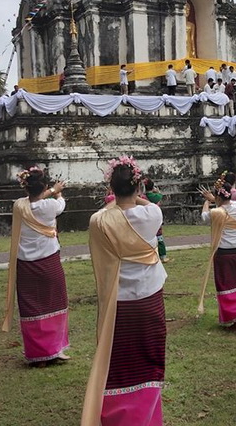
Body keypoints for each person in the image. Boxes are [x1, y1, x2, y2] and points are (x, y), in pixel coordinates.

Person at [82, 157, 167, 426]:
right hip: (149, 300)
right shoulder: (153, 214)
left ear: (110, 188)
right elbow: (147, 204)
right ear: (139, 186)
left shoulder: (99, 221)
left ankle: (120, 415)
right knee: (148, 359)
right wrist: (137, 195)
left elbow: (110, 212)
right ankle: (146, 415)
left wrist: (114, 202)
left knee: (119, 364)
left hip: (118, 303)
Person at [1, 167, 70, 365]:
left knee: (31, 307)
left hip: (25, 265)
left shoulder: (19, 206)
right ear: (45, 187)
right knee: (55, 303)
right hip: (48, 261)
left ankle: (37, 354)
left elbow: (35, 198)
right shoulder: (49, 207)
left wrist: (50, 190)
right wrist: (58, 191)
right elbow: (61, 204)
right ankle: (54, 349)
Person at [197, 178, 236, 330]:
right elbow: (226, 205)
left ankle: (234, 319)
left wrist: (207, 202)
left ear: (219, 197)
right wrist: (214, 198)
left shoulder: (216, 212)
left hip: (224, 252)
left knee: (225, 284)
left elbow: (204, 216)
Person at [144, 178, 168, 262]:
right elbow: (160, 196)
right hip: (156, 219)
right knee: (160, 238)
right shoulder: (155, 196)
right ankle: (163, 256)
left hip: (146, 219)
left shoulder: (143, 197)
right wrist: (157, 191)